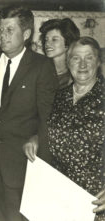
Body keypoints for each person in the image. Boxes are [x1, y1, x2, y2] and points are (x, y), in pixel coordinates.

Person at [0, 5, 58, 221]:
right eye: (1, 30)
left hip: (22, 166)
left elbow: (47, 118)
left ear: (26, 34)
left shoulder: (41, 66)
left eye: (9, 30)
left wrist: (37, 140)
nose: (3, 36)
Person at [24, 36, 105, 221]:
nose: (82, 64)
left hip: (95, 199)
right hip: (60, 192)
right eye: (76, 58)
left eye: (89, 57)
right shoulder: (60, 97)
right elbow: (51, 127)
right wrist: (36, 137)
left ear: (98, 62)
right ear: (68, 63)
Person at [39, 18, 80, 89]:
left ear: (68, 42)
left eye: (54, 39)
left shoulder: (76, 72)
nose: (47, 44)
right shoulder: (40, 70)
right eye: (46, 39)